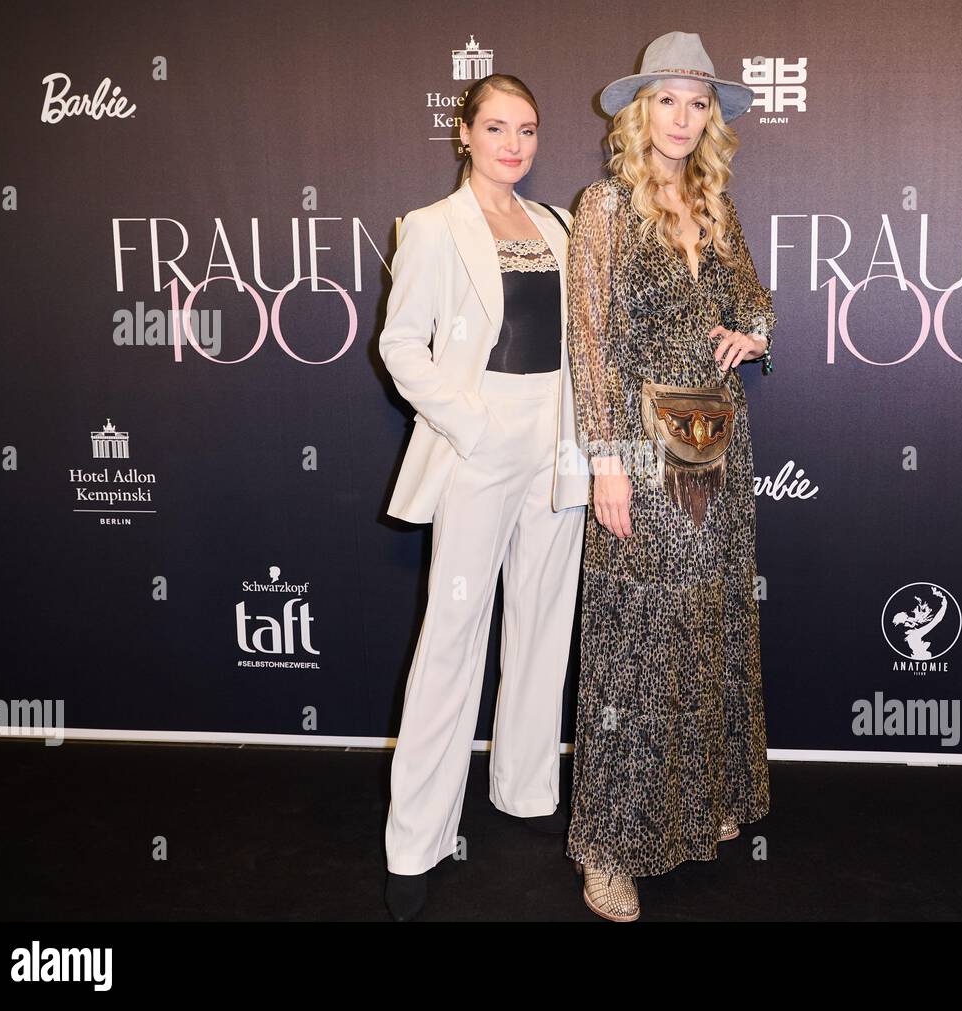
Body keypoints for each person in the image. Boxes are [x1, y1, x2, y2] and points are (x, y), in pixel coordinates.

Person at [564, 31, 777, 922]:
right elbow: (592, 346)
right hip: (644, 449)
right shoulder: (605, 206)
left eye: (699, 102)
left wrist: (755, 332)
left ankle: (696, 806)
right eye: (668, 99)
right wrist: (608, 459)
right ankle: (608, 849)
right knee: (632, 645)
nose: (683, 118)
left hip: (717, 441)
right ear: (638, 109)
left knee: (707, 624)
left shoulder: (717, 206)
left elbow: (752, 300)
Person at [377, 74, 589, 921]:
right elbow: (400, 344)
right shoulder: (430, 228)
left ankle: (524, 791)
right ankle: (415, 838)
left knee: (543, 622)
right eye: (496, 127)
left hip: (555, 439)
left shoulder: (559, 226)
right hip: (480, 439)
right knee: (453, 635)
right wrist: (469, 422)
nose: (513, 144)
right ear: (463, 134)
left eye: (527, 129)